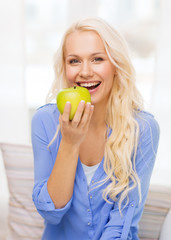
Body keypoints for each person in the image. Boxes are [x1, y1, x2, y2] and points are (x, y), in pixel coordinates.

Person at [31, 17, 160, 240]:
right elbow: (50, 213)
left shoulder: (143, 128)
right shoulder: (45, 121)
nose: (85, 72)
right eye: (74, 61)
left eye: (97, 59)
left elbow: (121, 225)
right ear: (65, 67)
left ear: (116, 65)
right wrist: (70, 143)